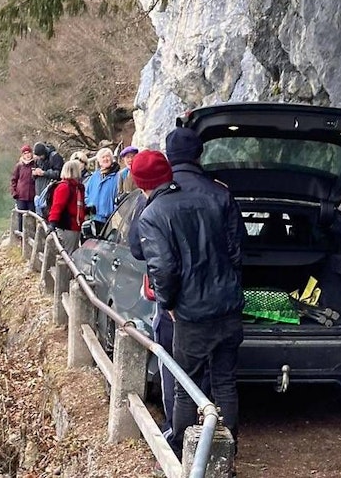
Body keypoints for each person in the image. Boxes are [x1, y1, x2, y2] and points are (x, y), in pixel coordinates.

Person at [130, 149, 244, 459]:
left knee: (184, 386)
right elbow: (235, 250)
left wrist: (168, 303)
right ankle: (226, 452)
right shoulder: (213, 198)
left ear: (141, 183)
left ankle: (182, 452)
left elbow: (163, 268)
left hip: (192, 314)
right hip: (229, 305)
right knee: (224, 382)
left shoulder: (152, 214)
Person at [47, 159, 86, 254]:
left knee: (73, 252)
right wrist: (53, 222)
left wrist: (87, 210)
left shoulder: (77, 187)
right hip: (67, 226)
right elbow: (57, 206)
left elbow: (77, 206)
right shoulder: (64, 187)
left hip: (75, 226)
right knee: (69, 254)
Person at [84, 146, 119, 236]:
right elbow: (86, 193)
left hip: (108, 219)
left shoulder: (117, 177)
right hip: (93, 217)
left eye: (108, 156)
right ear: (99, 161)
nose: (105, 159)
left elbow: (119, 195)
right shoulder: (94, 176)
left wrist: (114, 210)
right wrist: (89, 204)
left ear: (111, 159)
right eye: (103, 157)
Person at [10, 144, 36, 234]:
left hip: (32, 196)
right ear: (22, 155)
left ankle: (32, 234)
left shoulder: (35, 165)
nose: (27, 155)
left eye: (29, 153)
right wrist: (14, 192)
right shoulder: (19, 166)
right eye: (25, 153)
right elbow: (13, 180)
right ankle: (21, 235)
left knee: (32, 216)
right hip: (21, 196)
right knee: (20, 216)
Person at [32, 141, 64, 214]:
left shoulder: (55, 157)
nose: (39, 158)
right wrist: (34, 173)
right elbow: (34, 177)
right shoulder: (38, 160)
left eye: (40, 156)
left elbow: (59, 174)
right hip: (39, 193)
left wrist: (44, 173)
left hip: (50, 193)